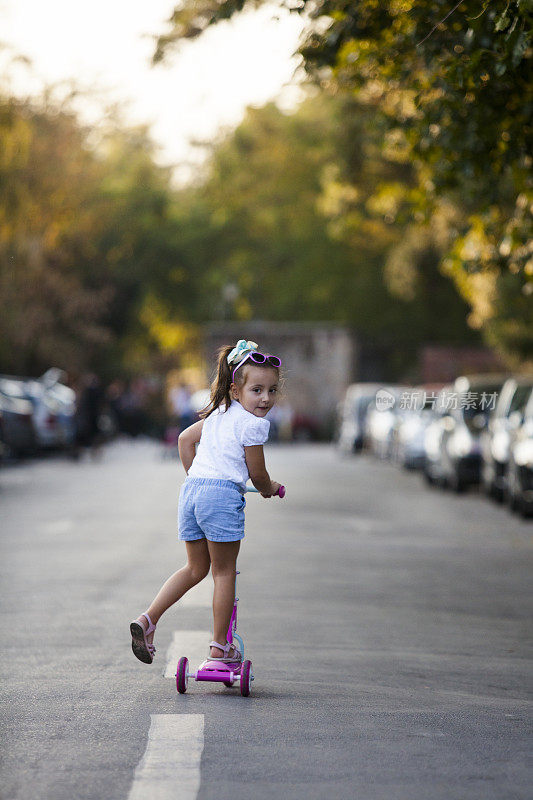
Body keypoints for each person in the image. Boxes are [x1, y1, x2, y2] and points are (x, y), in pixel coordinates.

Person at [130, 339, 283, 665]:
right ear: (236, 390)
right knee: (224, 572)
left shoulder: (218, 415)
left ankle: (148, 619)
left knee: (195, 568)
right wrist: (270, 488)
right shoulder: (252, 424)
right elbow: (258, 475)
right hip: (220, 497)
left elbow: (186, 441)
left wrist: (198, 478)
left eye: (272, 390)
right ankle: (219, 648)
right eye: (257, 390)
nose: (266, 398)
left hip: (192, 493)